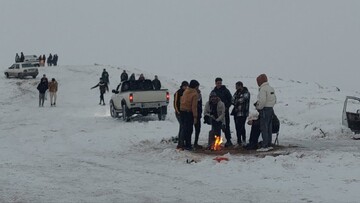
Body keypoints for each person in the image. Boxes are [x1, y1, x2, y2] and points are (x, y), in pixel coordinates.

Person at [255, 74, 277, 150]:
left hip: (264, 110)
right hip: (271, 109)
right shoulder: (271, 88)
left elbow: (262, 101)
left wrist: (258, 107)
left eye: (258, 81)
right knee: (269, 127)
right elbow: (275, 99)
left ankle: (265, 145)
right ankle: (269, 143)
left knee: (264, 127)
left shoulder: (263, 89)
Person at [212, 77, 233, 147]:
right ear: (215, 83)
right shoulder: (213, 91)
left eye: (220, 83)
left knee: (226, 126)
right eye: (218, 83)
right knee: (216, 126)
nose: (219, 84)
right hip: (216, 113)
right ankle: (216, 140)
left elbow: (231, 100)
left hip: (224, 112)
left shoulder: (226, 91)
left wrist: (226, 107)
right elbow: (210, 101)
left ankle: (229, 140)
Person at [179, 80, 199, 150]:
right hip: (188, 113)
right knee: (189, 129)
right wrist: (195, 116)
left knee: (184, 129)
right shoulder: (194, 94)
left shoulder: (186, 91)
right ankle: (188, 145)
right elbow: (194, 106)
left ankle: (182, 143)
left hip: (182, 111)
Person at [231, 81, 250, 146]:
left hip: (243, 113)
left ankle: (243, 140)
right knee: (237, 127)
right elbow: (232, 100)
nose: (236, 88)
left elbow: (242, 100)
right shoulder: (236, 93)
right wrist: (236, 101)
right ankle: (239, 141)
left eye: (237, 86)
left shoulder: (246, 93)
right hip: (236, 113)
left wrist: (237, 101)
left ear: (240, 86)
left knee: (241, 126)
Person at [174, 81, 189, 149]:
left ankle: (184, 142)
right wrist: (178, 112)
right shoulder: (178, 92)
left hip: (185, 113)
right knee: (182, 127)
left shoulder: (187, 93)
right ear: (182, 86)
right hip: (179, 113)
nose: (185, 87)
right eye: (184, 86)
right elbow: (175, 103)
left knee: (184, 127)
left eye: (186, 86)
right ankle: (180, 143)